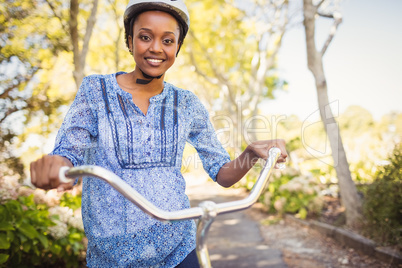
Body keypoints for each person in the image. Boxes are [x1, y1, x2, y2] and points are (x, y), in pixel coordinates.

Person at [30, 0, 287, 267]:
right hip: (112, 257)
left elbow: (221, 173)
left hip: (179, 248)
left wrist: (251, 154)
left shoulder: (186, 103)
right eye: (145, 37)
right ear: (130, 41)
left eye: (168, 40)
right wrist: (55, 167)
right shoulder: (95, 90)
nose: (156, 48)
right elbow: (67, 152)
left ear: (177, 47)